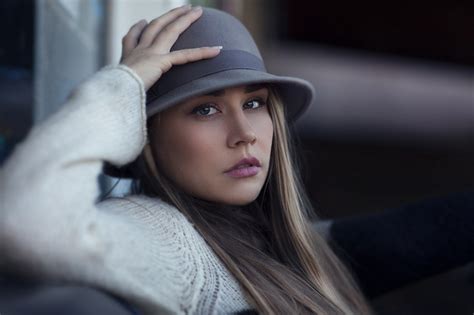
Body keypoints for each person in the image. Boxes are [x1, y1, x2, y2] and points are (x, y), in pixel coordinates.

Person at [6, 4, 451, 314]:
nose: (243, 136)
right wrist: (121, 86)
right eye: (206, 109)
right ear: (145, 135)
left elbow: (391, 239)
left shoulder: (267, 240)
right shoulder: (167, 238)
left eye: (255, 104)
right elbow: (26, 223)